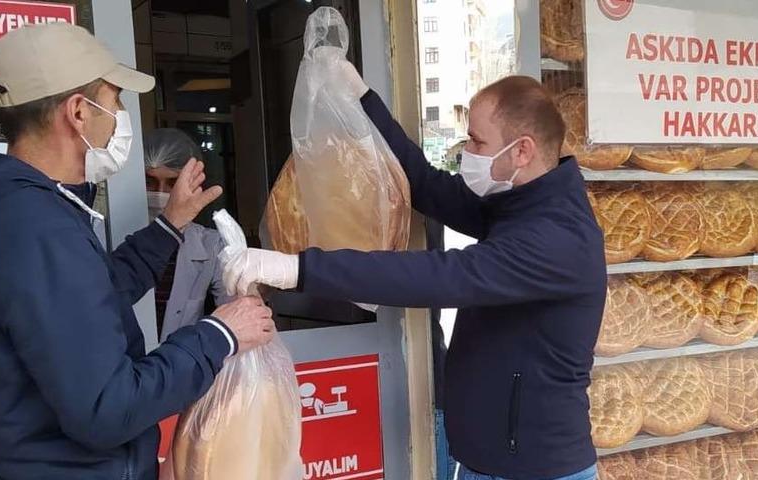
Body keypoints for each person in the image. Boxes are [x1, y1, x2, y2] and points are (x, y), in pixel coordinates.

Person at [224, 66, 607, 480]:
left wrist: (297, 268)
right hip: (492, 461)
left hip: (537, 468)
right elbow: (425, 185)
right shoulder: (519, 203)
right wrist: (363, 99)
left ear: (522, 151)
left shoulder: (559, 239)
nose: (468, 151)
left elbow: (440, 276)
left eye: (478, 141)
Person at [0, 23, 275, 480]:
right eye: (115, 98)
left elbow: (87, 303)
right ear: (79, 113)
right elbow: (107, 409)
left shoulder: (15, 208)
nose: (120, 112)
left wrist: (170, 224)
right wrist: (219, 334)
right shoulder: (36, 227)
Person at [143, 128, 233, 341]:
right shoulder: (109, 237)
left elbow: (234, 311)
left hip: (180, 365)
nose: (161, 193)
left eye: (173, 184)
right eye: (150, 182)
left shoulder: (212, 244)